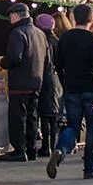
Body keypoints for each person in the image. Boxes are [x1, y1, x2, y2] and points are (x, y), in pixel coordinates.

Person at [48, 4, 93, 180]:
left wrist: (66, 85)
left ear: (74, 18)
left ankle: (61, 149)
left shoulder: (65, 39)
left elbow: (58, 64)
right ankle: (90, 168)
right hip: (91, 89)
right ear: (91, 19)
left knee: (72, 126)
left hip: (72, 89)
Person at [0, 3, 46, 162]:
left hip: (20, 82)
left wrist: (3, 63)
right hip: (36, 81)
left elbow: (14, 58)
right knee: (32, 117)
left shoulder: (17, 33)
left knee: (18, 117)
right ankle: (31, 149)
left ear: (15, 16)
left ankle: (19, 150)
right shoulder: (40, 33)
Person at [35, 13, 61, 158]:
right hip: (57, 81)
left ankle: (47, 147)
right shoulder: (57, 41)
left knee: (45, 115)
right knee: (53, 115)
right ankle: (51, 144)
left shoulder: (43, 41)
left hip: (45, 80)